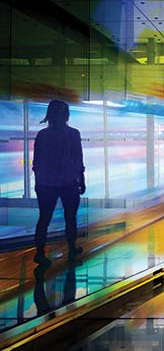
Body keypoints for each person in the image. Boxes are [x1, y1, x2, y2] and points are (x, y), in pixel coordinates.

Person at [32, 100, 85, 264]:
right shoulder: (73, 134)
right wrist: (81, 180)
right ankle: (72, 249)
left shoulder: (42, 135)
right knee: (70, 217)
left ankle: (40, 253)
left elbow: (36, 161)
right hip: (69, 182)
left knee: (44, 218)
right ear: (66, 115)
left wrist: (38, 180)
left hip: (45, 183)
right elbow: (78, 158)